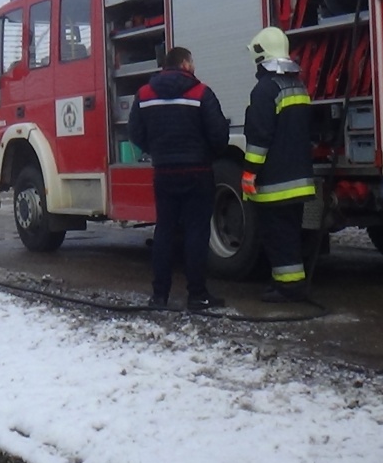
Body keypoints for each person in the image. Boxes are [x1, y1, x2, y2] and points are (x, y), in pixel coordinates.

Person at [127, 46, 229, 311]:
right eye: (192, 62)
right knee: (196, 233)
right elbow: (219, 135)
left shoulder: (144, 94)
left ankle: (159, 296)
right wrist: (206, 154)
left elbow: (135, 133)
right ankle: (197, 295)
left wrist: (157, 150)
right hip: (198, 172)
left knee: (164, 232)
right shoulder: (201, 92)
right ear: (184, 63)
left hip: (164, 172)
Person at [242, 27, 316, 303]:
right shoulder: (297, 85)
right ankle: (290, 281)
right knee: (291, 234)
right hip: (299, 179)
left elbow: (259, 138)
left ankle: (288, 287)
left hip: (275, 183)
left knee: (277, 235)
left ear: (260, 53)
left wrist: (249, 173)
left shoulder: (264, 90)